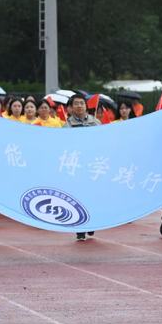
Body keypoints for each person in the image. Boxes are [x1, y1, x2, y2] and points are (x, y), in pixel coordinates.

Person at [64, 94, 100, 241]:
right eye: (76, 103)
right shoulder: (67, 126)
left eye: (82, 103)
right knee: (78, 196)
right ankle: (80, 228)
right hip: (76, 166)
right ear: (71, 108)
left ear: (86, 106)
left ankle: (91, 223)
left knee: (92, 196)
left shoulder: (96, 122)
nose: (79, 106)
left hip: (93, 165)